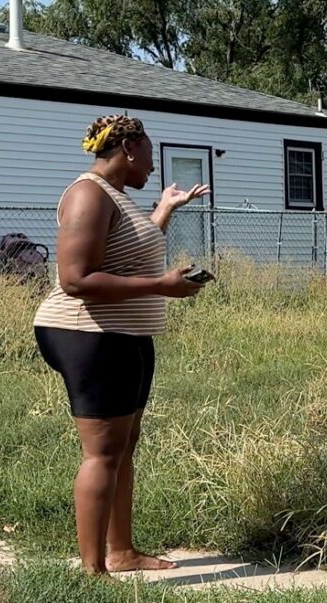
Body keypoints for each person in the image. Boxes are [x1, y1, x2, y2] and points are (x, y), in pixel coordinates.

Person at [33, 114, 210, 574]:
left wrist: (165, 212)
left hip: (124, 335)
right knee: (102, 451)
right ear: (129, 148)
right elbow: (75, 279)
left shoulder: (118, 198)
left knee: (123, 446)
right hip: (86, 334)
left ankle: (122, 551)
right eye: (150, 154)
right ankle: (93, 571)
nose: (153, 166)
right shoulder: (88, 194)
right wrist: (160, 285)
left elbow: (129, 253)